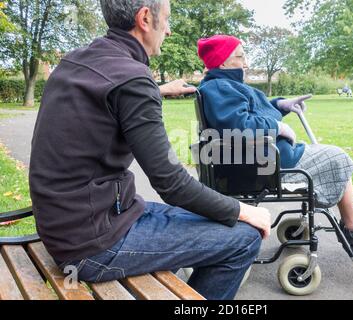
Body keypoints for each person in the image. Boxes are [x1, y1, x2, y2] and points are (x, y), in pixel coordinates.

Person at [29, 0, 271, 300]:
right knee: (244, 237)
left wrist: (157, 90)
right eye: (166, 20)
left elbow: (106, 98)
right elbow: (172, 184)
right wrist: (246, 210)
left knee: (213, 221)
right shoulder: (132, 78)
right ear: (145, 18)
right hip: (93, 244)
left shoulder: (77, 60)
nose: (168, 31)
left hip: (73, 224)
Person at [197, 35, 353, 244]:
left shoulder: (224, 85)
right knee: (337, 156)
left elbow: (253, 113)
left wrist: (282, 105)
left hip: (267, 159)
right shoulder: (221, 87)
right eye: (241, 57)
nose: (246, 63)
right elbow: (239, 126)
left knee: (331, 154)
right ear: (222, 61)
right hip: (267, 165)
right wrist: (277, 127)